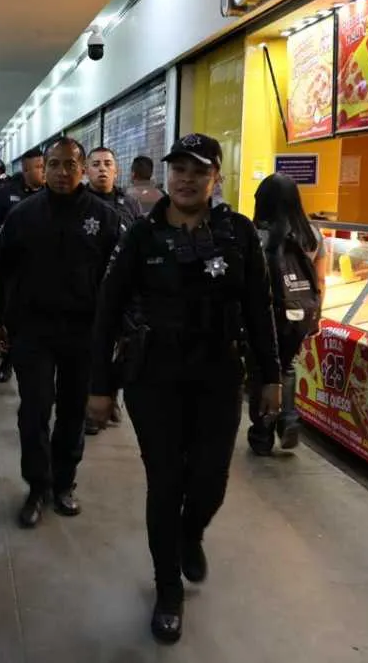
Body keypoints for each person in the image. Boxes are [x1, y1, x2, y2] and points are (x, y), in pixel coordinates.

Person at [87, 133, 281, 643]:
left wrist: (271, 376)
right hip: (154, 377)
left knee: (211, 480)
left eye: (198, 171)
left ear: (216, 177)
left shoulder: (237, 233)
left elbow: (259, 308)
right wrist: (100, 386)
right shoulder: (140, 235)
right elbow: (107, 311)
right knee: (166, 482)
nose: (187, 180)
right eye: (179, 170)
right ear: (167, 175)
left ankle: (190, 533)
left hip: (219, 375)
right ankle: (167, 588)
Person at [0, 137, 125, 528]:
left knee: (72, 411)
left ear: (82, 169)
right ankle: (37, 486)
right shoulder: (23, 215)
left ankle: (64, 483)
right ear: (43, 168)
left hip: (83, 333)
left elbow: (119, 281)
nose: (62, 172)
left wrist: (117, 330)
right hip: (33, 331)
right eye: (54, 164)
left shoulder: (104, 218)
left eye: (70, 165)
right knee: (34, 410)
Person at [247, 172, 326, 455]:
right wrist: (316, 316)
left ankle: (263, 431)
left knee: (261, 369)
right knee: (287, 365)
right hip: (299, 313)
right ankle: (288, 416)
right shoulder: (312, 234)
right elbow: (320, 280)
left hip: (265, 313)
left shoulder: (256, 234)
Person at [84, 146, 144, 435]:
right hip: (90, 290)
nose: (102, 169)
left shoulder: (129, 203)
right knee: (91, 348)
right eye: (96, 164)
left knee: (121, 349)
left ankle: (111, 395)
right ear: (86, 170)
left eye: (108, 163)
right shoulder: (80, 203)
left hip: (124, 291)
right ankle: (90, 403)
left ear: (117, 170)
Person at [0, 147, 45, 384]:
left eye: (44, 166)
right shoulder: (7, 193)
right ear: (26, 170)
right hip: (14, 270)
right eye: (38, 167)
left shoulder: (54, 193)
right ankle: (8, 359)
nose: (43, 171)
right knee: (14, 319)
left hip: (46, 270)